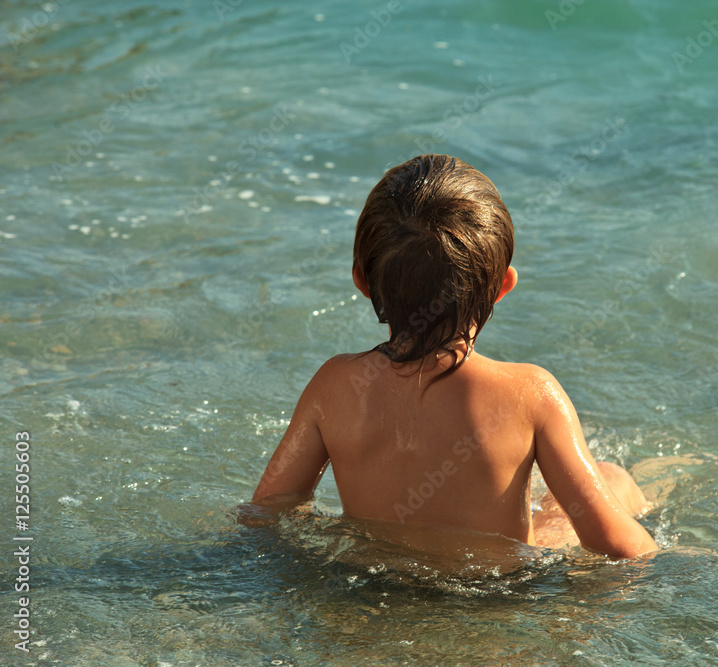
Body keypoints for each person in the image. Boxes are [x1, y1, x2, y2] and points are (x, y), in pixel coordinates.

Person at [251, 154, 657, 559]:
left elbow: (265, 512)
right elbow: (616, 545)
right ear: (503, 286)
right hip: (497, 592)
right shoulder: (532, 394)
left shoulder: (335, 385)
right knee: (611, 476)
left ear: (362, 281)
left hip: (378, 582)